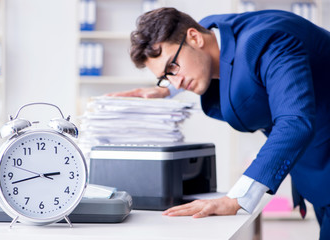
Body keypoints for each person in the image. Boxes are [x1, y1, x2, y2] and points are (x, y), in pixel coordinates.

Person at [108, 7, 330, 238]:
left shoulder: (268, 41)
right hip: (316, 171)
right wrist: (166, 92)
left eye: (172, 68)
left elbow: (294, 122)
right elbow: (197, 59)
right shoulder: (210, 31)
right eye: (166, 77)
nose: (176, 81)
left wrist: (237, 198)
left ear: (194, 37)